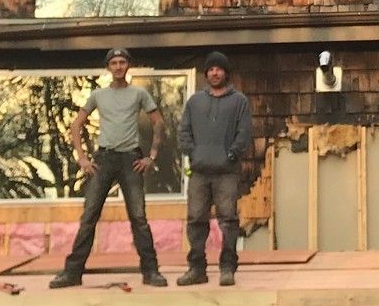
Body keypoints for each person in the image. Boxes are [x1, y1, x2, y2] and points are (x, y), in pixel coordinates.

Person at [50, 48, 167, 288]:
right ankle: (72, 273)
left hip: (131, 160)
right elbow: (76, 125)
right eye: (113, 62)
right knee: (89, 215)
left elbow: (158, 123)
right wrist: (82, 158)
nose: (118, 66)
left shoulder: (139, 94)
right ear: (108, 67)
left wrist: (151, 156)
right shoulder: (98, 95)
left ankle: (151, 271)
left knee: (139, 217)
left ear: (128, 66)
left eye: (122, 62)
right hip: (103, 160)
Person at [178, 50, 253, 286]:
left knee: (228, 220)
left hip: (226, 172)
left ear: (226, 72)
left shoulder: (239, 101)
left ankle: (227, 268)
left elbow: (244, 133)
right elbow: (184, 132)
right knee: (196, 219)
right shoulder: (195, 102)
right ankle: (196, 269)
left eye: (219, 69)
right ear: (206, 73)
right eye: (210, 69)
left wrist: (232, 153)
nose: (214, 72)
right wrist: (193, 152)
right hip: (199, 172)